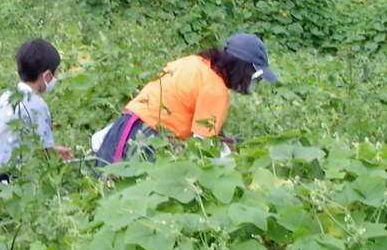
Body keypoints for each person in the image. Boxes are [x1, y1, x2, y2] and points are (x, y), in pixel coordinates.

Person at [95, 34, 275, 166]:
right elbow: (201, 145)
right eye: (255, 78)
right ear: (243, 70)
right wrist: (228, 158)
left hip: (124, 128)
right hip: (148, 142)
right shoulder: (216, 91)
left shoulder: (192, 62)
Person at [0, 39, 70, 216]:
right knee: (0, 226)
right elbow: (42, 150)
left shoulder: (7, 96)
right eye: (56, 74)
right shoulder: (37, 105)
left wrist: (52, 149)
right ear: (47, 75)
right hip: (1, 174)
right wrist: (58, 165)